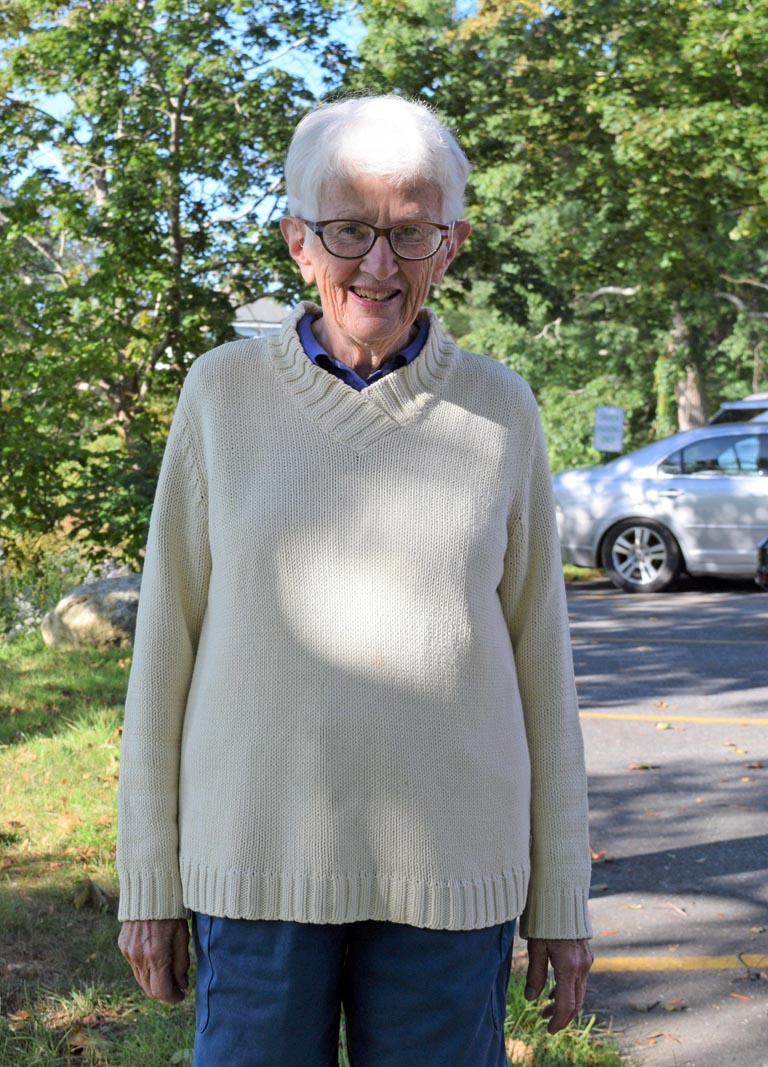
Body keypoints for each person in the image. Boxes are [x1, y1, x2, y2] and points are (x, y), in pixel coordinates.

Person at [117, 93, 593, 1067]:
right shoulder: (219, 395)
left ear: (449, 245)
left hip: (452, 886)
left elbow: (541, 664)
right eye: (347, 230)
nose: (378, 265)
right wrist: (147, 882)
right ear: (297, 240)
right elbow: (163, 649)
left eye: (409, 232)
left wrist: (560, 897)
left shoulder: (500, 409)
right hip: (253, 877)